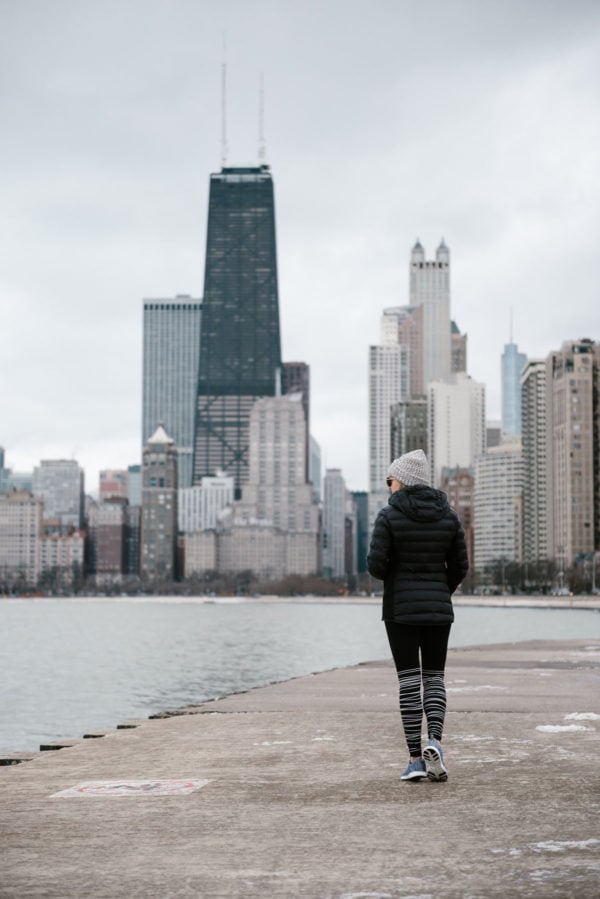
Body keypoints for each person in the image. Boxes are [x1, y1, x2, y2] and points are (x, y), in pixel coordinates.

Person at [367, 449, 468, 783]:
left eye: (390, 480)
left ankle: (415, 759)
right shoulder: (449, 516)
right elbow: (460, 567)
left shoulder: (388, 516)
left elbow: (377, 567)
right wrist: (441, 590)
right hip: (439, 610)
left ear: (403, 481)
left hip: (400, 611)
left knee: (409, 683)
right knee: (435, 679)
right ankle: (434, 741)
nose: (388, 486)